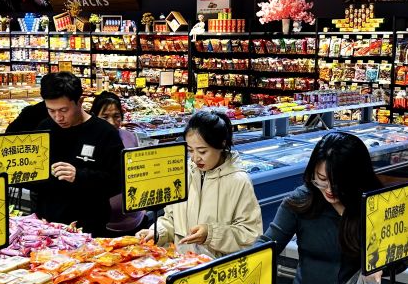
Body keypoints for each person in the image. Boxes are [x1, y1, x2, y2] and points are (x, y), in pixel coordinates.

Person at [260, 130, 383, 284]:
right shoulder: (302, 201)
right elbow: (267, 244)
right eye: (322, 179)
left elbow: (400, 257)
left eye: (339, 183)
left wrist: (381, 264)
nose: (329, 190)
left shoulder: (373, 202)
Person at [137, 110, 262, 258]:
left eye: (202, 151)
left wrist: (211, 234)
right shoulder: (183, 173)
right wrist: (158, 232)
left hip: (217, 266)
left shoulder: (238, 181)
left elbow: (250, 233)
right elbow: (170, 218)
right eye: (190, 150)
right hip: (182, 264)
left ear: (222, 144)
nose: (196, 158)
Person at [31, 72, 123, 237]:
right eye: (51, 110)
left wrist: (79, 176)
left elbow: (118, 181)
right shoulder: (44, 128)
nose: (58, 117)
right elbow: (34, 176)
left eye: (64, 110)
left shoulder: (105, 132)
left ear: (80, 102)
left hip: (90, 227)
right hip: (47, 225)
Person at [89, 92, 146, 234]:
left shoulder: (129, 137)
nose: (112, 122)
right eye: (105, 117)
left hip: (135, 219)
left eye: (116, 116)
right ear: (94, 116)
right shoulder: (88, 142)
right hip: (102, 223)